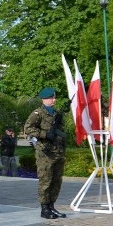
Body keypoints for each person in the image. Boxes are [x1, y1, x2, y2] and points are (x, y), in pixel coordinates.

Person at [24, 87, 67, 219]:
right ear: (44, 99)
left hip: (57, 151)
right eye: (51, 98)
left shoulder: (56, 113)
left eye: (54, 97)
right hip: (45, 153)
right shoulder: (38, 113)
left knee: (56, 181)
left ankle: (51, 206)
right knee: (46, 181)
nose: (54, 100)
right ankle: (44, 208)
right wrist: (45, 134)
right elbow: (28, 129)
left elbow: (61, 131)